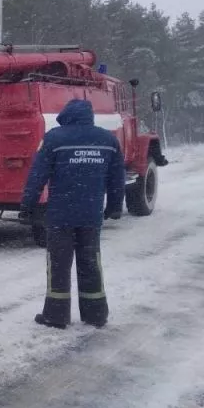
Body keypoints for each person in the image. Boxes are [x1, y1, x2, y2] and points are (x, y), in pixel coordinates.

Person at [20, 99, 124, 329]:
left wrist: (27, 205)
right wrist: (115, 205)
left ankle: (56, 316)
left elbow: (37, 174)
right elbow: (117, 177)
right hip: (91, 215)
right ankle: (95, 314)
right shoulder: (107, 139)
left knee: (59, 266)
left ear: (66, 115)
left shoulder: (54, 138)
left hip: (60, 216)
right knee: (90, 264)